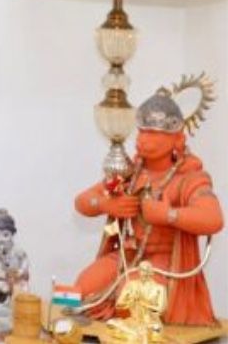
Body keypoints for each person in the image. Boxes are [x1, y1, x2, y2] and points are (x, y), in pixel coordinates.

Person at [73, 90, 223, 326]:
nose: (143, 139)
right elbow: (82, 202)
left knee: (131, 297)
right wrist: (106, 204)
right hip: (128, 255)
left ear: (177, 139)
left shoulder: (189, 178)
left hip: (166, 263)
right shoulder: (130, 173)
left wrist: (168, 215)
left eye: (152, 133)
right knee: (81, 289)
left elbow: (213, 219)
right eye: (141, 131)